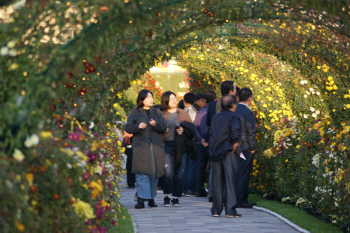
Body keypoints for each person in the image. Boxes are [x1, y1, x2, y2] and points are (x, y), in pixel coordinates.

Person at [125, 89, 167, 209]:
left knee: (154, 173)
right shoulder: (135, 111)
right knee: (142, 172)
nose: (151, 99)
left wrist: (155, 125)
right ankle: (141, 200)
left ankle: (151, 198)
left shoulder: (157, 112)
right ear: (141, 99)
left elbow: (164, 127)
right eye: (148, 97)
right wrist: (137, 127)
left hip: (156, 146)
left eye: (152, 97)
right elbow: (128, 128)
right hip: (141, 147)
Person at [208, 95, 242, 218]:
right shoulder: (234, 116)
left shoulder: (215, 117)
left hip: (216, 152)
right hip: (229, 151)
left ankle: (216, 210)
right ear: (233, 105)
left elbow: (210, 133)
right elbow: (235, 131)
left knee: (217, 182)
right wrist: (235, 144)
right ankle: (230, 210)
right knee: (230, 180)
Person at [160, 91, 196, 207]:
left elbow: (192, 128)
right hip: (167, 146)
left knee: (180, 173)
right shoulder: (161, 114)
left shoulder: (183, 113)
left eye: (175, 98)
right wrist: (162, 130)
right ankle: (166, 196)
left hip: (181, 147)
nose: (174, 101)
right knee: (168, 173)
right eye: (171, 99)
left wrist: (183, 130)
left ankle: (176, 197)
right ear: (166, 101)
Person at [235, 88, 257, 208]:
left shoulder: (234, 109)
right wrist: (253, 147)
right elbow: (250, 131)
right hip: (245, 147)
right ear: (250, 98)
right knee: (244, 174)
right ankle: (241, 200)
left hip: (234, 146)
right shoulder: (248, 113)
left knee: (235, 173)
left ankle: (233, 197)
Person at [194, 91, 217, 198]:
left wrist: (201, 139)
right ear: (215, 100)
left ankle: (199, 189)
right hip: (212, 143)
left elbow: (195, 127)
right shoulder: (216, 112)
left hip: (200, 143)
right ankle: (212, 190)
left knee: (200, 167)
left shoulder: (200, 112)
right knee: (212, 167)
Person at [183, 92, 198, 196]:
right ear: (194, 101)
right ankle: (190, 188)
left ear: (184, 101)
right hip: (193, 141)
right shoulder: (196, 113)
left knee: (185, 165)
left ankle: (183, 187)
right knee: (192, 165)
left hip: (183, 141)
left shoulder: (181, 112)